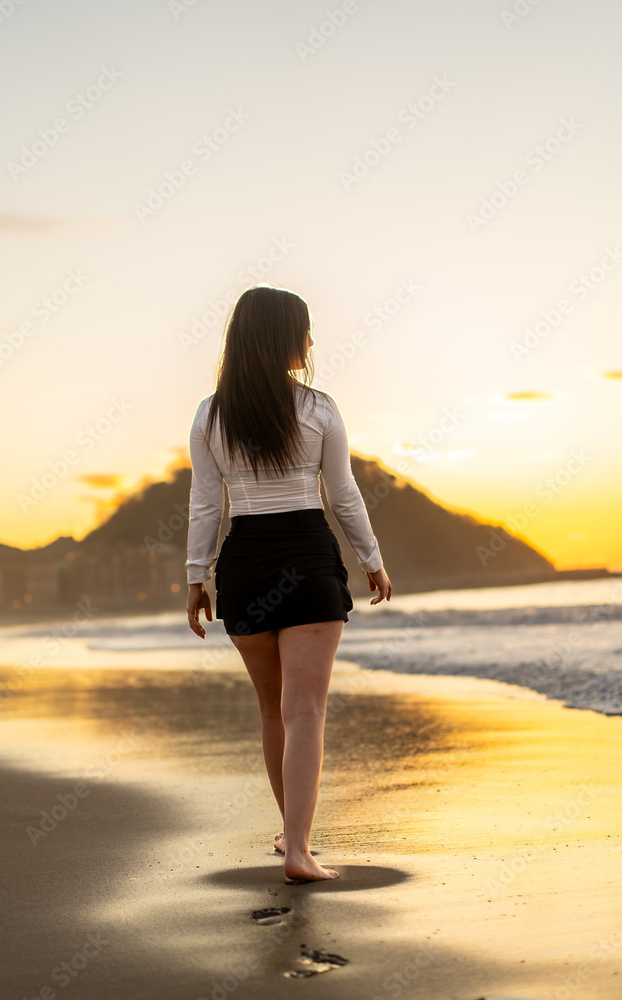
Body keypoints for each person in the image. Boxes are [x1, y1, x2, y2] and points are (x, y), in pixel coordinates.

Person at [185, 285, 392, 882]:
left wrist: (196, 577)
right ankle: (299, 848)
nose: (311, 341)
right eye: (305, 329)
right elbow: (343, 493)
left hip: (244, 563)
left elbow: (204, 504)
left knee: (275, 711)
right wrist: (372, 559)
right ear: (282, 336)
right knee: (306, 711)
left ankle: (291, 837)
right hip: (306, 559)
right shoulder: (320, 407)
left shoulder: (210, 413)